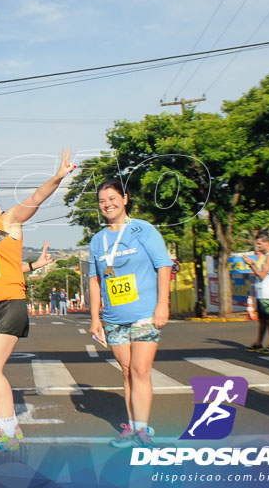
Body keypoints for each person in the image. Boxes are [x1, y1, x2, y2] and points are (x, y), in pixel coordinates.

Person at [0, 149, 76, 454]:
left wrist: (58, 176)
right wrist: (34, 266)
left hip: (8, 303)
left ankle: (8, 432)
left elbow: (36, 198)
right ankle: (9, 424)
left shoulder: (9, 219)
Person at [88, 178, 172, 449]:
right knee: (126, 371)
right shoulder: (98, 240)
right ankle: (134, 426)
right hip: (114, 317)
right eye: (102, 201)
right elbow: (94, 279)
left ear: (125, 198)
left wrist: (163, 305)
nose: (107, 204)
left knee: (140, 368)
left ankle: (142, 430)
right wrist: (94, 317)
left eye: (112, 198)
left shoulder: (142, 229)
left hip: (145, 313)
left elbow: (164, 266)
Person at [243, 232, 269, 354]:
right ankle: (259, 343)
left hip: (267, 293)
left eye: (259, 243)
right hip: (261, 292)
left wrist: (251, 264)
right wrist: (252, 264)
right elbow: (259, 273)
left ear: (267, 242)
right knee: (262, 319)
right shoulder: (264, 256)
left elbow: (261, 275)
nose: (257, 246)